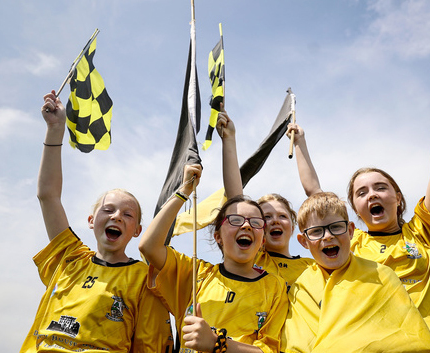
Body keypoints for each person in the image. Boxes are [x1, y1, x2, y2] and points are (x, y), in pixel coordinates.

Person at [300, 58, 430, 352]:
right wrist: (300, 143)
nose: (372, 195)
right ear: (354, 211)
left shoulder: (425, 232)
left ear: (398, 198)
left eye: (381, 187)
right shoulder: (350, 243)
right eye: (361, 192)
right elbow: (314, 193)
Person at [20, 91, 173, 352]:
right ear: (91, 220)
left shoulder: (145, 281)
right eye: (108, 210)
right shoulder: (68, 259)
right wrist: (55, 129)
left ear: (136, 231)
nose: (116, 216)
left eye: (127, 214)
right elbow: (48, 196)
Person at [139, 165, 288, 353]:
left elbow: (268, 351)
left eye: (256, 223)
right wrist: (183, 191)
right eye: (235, 219)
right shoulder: (194, 274)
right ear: (218, 236)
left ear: (262, 241)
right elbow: (149, 246)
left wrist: (217, 343)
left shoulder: (275, 287)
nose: (246, 226)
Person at [280, 192, 430, 352]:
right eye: (316, 231)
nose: (328, 236)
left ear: (350, 231)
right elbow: (298, 346)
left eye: (336, 227)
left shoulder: (381, 274)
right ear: (304, 241)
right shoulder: (301, 290)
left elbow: (412, 338)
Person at [217, 109, 315, 288]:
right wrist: (229, 138)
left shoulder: (312, 267)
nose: (275, 221)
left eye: (282, 216)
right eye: (266, 217)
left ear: (293, 227)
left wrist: (299, 142)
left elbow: (317, 198)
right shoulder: (251, 259)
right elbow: (236, 202)